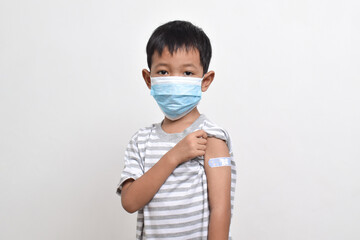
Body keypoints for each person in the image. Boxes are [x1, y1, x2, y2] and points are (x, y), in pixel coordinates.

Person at [116, 20, 236, 240]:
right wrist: (175, 156)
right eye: (163, 71)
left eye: (188, 73)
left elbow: (221, 210)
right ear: (148, 78)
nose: (174, 80)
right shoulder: (141, 141)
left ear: (205, 80)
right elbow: (130, 202)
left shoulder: (212, 139)